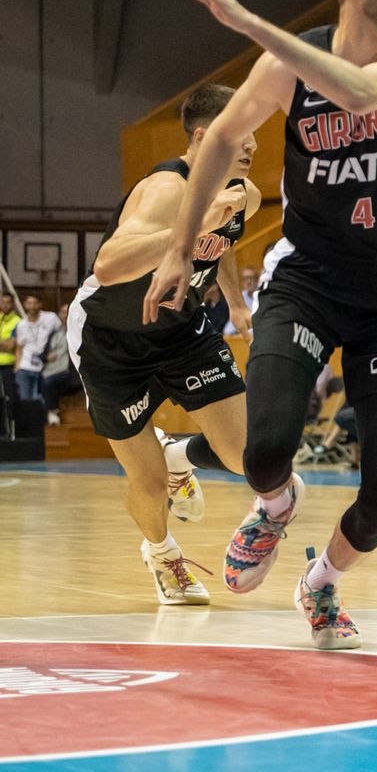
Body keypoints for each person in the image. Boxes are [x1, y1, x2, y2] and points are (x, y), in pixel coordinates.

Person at [143, 0, 377, 650]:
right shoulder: (290, 64)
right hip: (309, 278)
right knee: (263, 448)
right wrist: (181, 251)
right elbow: (220, 138)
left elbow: (362, 95)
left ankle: (322, 583)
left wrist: (249, 22)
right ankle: (277, 505)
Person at [67, 85, 260, 605]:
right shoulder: (165, 189)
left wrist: (236, 302)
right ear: (204, 137)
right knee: (149, 486)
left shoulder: (244, 192)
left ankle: (183, 458)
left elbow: (221, 244)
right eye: (242, 134)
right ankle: (162, 553)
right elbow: (108, 266)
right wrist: (200, 219)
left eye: (255, 134)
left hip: (180, 329)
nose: (253, 145)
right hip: (111, 339)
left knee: (248, 456)